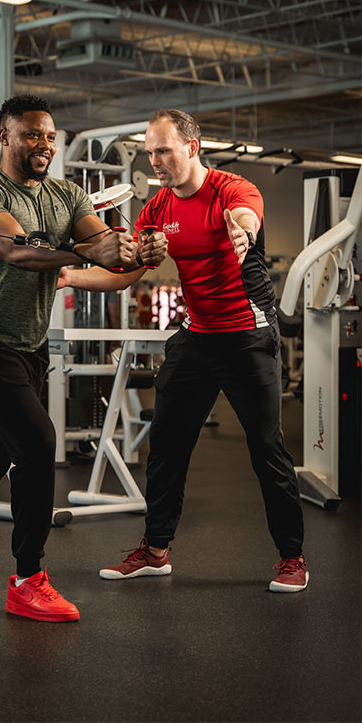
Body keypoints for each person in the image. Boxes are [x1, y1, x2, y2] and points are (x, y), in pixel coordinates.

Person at [0, 94, 168, 622]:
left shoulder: (67, 195)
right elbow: (20, 252)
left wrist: (136, 254)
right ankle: (28, 577)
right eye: (30, 135)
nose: (43, 144)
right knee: (38, 439)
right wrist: (90, 250)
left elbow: (105, 251)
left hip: (28, 345)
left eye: (50, 136)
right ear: (3, 137)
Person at [61, 108, 308, 594]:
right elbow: (127, 272)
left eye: (164, 150)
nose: (155, 161)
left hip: (247, 336)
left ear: (192, 147)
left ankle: (292, 557)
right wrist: (67, 275)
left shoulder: (231, 190)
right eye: (150, 151)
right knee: (167, 447)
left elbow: (246, 217)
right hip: (198, 336)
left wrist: (243, 231)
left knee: (267, 451)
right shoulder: (157, 209)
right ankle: (155, 551)